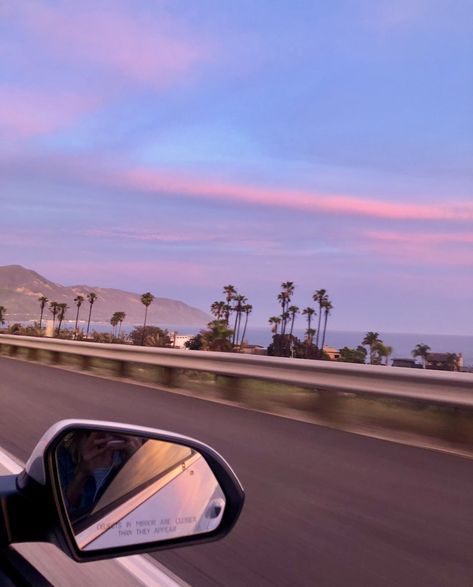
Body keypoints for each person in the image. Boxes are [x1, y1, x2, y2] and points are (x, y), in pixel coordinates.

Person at [57, 430, 141, 523]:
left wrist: (135, 463)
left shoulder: (130, 454)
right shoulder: (63, 456)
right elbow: (57, 515)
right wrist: (82, 474)